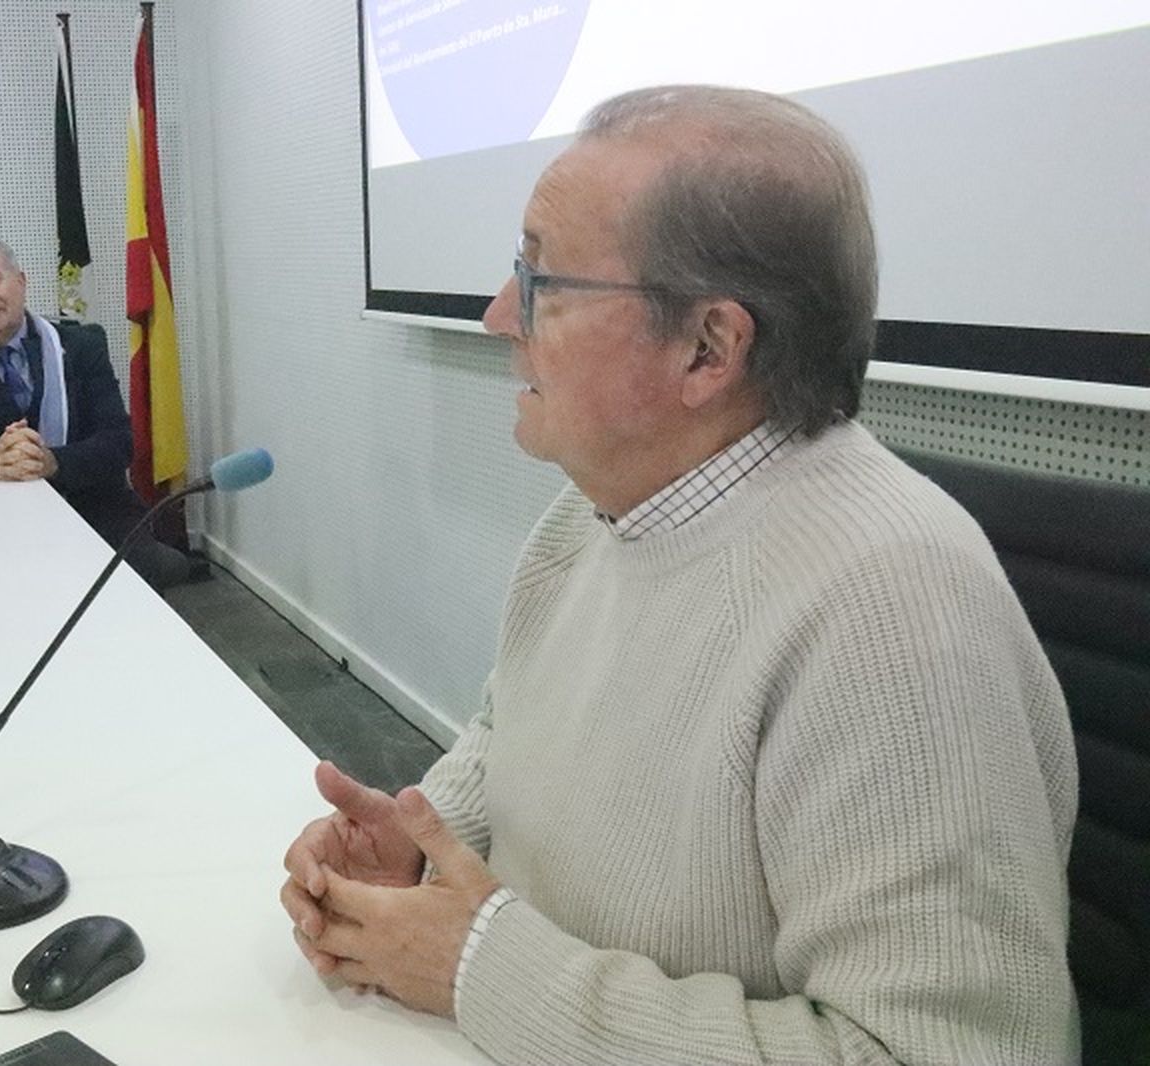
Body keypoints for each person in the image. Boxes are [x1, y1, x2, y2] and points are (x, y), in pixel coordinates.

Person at [281, 86, 1078, 1064]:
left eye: (541, 283)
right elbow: (510, 735)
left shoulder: (895, 613)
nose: (497, 317)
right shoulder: (594, 510)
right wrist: (425, 832)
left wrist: (477, 965)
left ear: (708, 347)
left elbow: (926, 1053)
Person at [0, 232, 190, 589]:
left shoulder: (80, 347)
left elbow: (118, 442)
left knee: (136, 576)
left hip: (88, 504)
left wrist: (51, 462)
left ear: (21, 282)